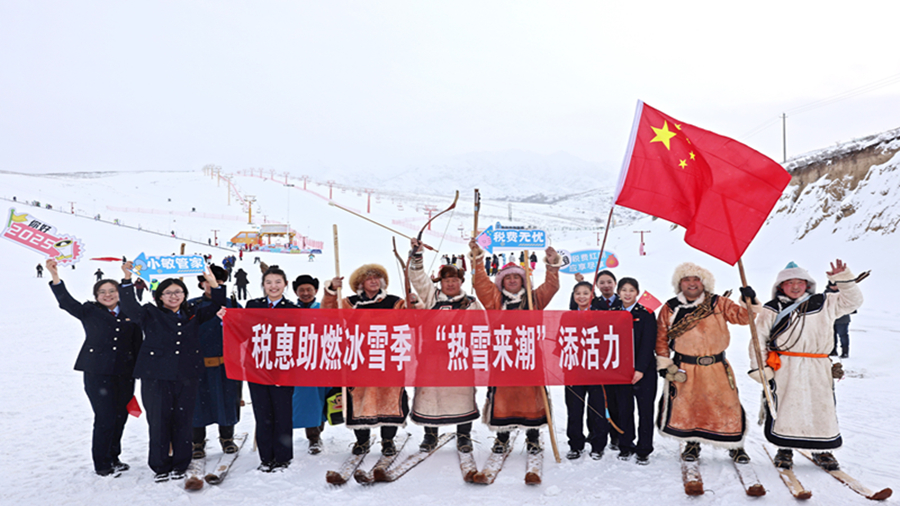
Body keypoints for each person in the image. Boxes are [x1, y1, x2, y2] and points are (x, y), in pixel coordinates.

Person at [748, 260, 863, 471]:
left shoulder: (825, 302)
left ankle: (822, 450)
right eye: (788, 282)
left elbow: (853, 301)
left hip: (817, 365)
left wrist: (844, 279)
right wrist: (760, 368)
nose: (794, 286)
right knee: (786, 406)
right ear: (780, 286)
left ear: (807, 284)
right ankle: (785, 449)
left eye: (799, 282)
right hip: (784, 365)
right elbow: (758, 340)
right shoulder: (771, 309)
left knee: (820, 407)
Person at [119, 261, 225, 482]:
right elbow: (129, 307)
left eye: (178, 292)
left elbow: (217, 305)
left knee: (183, 420)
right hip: (156, 376)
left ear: (185, 295)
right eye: (168, 293)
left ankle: (181, 462)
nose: (174, 296)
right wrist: (127, 279)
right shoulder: (149, 313)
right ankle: (160, 466)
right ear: (159, 296)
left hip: (187, 375)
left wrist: (213, 282)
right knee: (158, 420)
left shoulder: (194, 313)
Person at [47, 259, 142, 477]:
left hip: (125, 374)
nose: (107, 295)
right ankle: (102, 463)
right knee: (105, 417)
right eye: (102, 292)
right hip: (97, 373)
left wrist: (140, 371)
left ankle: (114, 457)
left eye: (112, 290)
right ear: (96, 295)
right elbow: (66, 302)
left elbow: (138, 344)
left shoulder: (132, 315)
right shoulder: (89, 311)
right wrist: (55, 277)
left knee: (120, 417)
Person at [469, 238, 561, 455]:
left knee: (531, 397)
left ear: (523, 280)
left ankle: (533, 437)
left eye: (516, 277)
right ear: (502, 281)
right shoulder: (495, 299)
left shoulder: (534, 298)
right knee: (504, 397)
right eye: (507, 277)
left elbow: (552, 286)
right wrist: (477, 257)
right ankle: (502, 438)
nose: (512, 280)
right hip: (503, 356)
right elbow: (480, 282)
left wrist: (551, 264)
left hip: (529, 355)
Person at [656, 262, 753, 463]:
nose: (692, 283)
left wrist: (747, 300)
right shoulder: (671, 307)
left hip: (716, 366)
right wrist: (665, 365)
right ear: (679, 284)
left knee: (728, 405)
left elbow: (744, 318)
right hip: (685, 367)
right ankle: (692, 443)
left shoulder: (719, 303)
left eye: (696, 279)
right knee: (689, 407)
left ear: (704, 283)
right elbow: (661, 337)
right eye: (686, 280)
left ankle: (735, 445)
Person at [322, 263, 409, 457]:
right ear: (360, 283)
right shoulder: (348, 303)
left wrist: (414, 303)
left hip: (389, 361)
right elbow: (327, 317)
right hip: (359, 361)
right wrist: (331, 292)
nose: (373, 281)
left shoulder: (395, 302)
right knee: (361, 401)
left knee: (389, 400)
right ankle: (362, 440)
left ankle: (388, 441)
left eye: (376, 277)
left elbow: (412, 320)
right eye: (369, 278)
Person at [409, 238, 481, 454]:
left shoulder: (471, 303)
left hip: (459, 358)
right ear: (440, 282)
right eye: (446, 280)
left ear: (461, 282)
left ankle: (464, 436)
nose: (450, 284)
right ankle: (430, 436)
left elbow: (480, 329)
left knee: (462, 396)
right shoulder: (431, 298)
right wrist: (417, 256)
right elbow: (419, 279)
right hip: (431, 358)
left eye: (454, 280)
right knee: (429, 395)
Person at [241, 266, 300, 471]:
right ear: (263, 285)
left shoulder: (293, 310)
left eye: (277, 282)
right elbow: (242, 329)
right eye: (268, 282)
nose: (273, 286)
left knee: (282, 413)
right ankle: (266, 458)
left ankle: (283, 457)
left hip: (283, 369)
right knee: (262, 413)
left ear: (285, 285)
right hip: (257, 367)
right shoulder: (252, 305)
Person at [187, 265, 242, 461]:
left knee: (226, 402)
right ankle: (197, 442)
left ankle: (227, 438)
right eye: (208, 282)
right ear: (201, 284)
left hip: (226, 364)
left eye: (217, 282)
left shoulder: (232, 305)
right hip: (197, 365)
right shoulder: (191, 306)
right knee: (196, 405)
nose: (212, 285)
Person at [608, 277, 658, 465]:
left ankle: (644, 449)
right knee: (624, 410)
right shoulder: (612, 312)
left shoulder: (646, 312)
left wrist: (640, 369)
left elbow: (648, 343)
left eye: (631, 290)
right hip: (620, 371)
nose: (627, 294)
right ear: (618, 293)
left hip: (644, 371)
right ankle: (626, 445)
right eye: (623, 290)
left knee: (645, 411)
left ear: (637, 293)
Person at [562, 281, 609, 460]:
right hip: (574, 369)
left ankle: (598, 445)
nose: (581, 296)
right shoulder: (568, 316)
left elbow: (608, 340)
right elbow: (562, 341)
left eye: (585, 293)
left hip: (596, 370)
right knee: (574, 410)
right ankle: (575, 444)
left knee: (596, 409)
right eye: (577, 293)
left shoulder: (601, 315)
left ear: (592, 295)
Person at [291, 274, 330, 455]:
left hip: (320, 361)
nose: (305, 293)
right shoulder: (289, 310)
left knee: (319, 399)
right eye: (301, 290)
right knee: (305, 400)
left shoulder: (323, 308)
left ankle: (317, 433)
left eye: (309, 289)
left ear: (315, 291)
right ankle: (311, 435)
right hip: (298, 363)